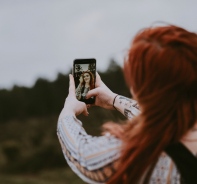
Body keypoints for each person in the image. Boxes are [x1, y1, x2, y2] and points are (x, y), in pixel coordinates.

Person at [57, 25, 197, 184]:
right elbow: (166, 112)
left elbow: (81, 154)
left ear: (141, 89)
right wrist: (113, 99)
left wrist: (68, 110)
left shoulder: (137, 153)